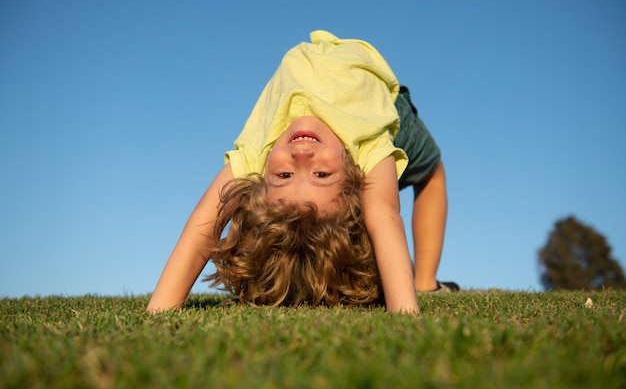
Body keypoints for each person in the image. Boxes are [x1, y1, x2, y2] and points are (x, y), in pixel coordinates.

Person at [147, 30, 457, 315]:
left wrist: (159, 310)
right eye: (321, 174)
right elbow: (384, 214)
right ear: (355, 180)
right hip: (385, 102)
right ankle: (426, 281)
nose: (302, 154)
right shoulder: (367, 145)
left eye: (284, 176)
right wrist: (405, 313)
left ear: (260, 186)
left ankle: (426, 278)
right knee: (432, 174)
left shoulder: (258, 153)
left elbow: (204, 222)